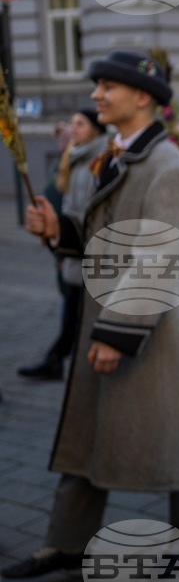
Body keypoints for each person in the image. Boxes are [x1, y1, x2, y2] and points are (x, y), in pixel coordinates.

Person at [4, 50, 179, 579]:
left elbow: (160, 254)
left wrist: (118, 333)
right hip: (111, 309)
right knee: (88, 428)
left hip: (153, 320)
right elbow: (102, 233)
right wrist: (58, 229)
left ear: (143, 97)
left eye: (107, 86)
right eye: (97, 85)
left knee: (174, 434)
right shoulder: (113, 153)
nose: (97, 94)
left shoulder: (167, 164)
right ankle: (65, 542)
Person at [18, 110, 105, 381]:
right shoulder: (76, 158)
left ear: (96, 129)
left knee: (76, 319)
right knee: (71, 315)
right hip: (74, 253)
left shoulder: (101, 161)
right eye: (72, 123)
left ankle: (57, 361)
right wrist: (60, 241)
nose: (73, 128)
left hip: (93, 259)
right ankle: (57, 361)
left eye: (80, 123)